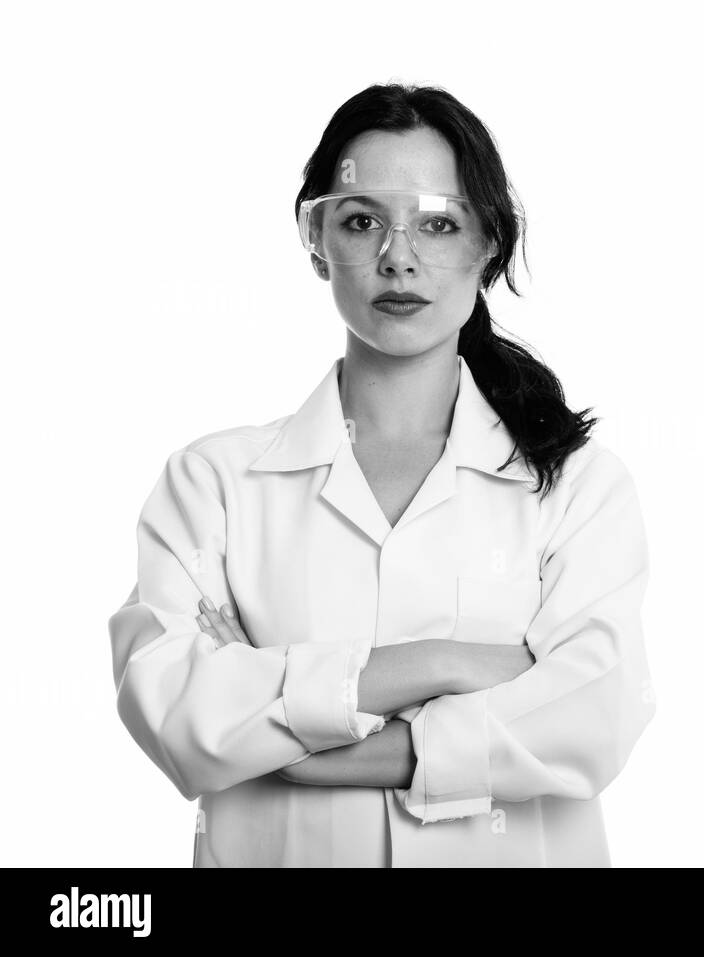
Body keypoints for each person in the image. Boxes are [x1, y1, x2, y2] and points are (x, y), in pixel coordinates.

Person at [108, 83, 655, 867]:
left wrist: (296, 737)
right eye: (362, 221)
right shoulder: (214, 483)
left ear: (489, 245)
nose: (399, 257)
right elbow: (175, 708)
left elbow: (595, 716)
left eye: (438, 223)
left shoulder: (576, 486)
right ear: (316, 240)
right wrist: (445, 662)